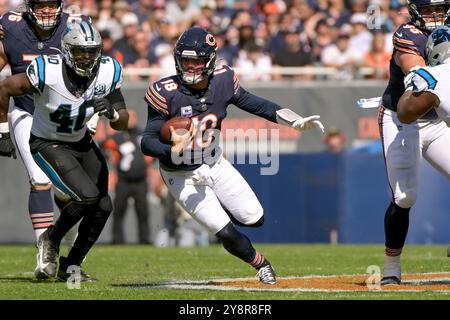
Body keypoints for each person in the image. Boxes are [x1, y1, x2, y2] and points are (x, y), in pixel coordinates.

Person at [140, 27, 324, 285]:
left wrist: (293, 121)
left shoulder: (223, 79)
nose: (191, 67)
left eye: (197, 61)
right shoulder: (166, 90)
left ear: (211, 61)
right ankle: (261, 264)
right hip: (180, 174)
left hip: (215, 163)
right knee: (224, 231)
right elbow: (147, 141)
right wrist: (171, 151)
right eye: (185, 61)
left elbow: (255, 103)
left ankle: (220, 204)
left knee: (254, 218)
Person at [0, 21, 129, 281]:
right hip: (46, 142)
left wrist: (113, 113)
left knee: (103, 205)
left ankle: (71, 267)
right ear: (67, 50)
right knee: (87, 196)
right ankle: (50, 238)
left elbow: (123, 121)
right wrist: (3, 129)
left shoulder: (108, 71)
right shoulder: (48, 69)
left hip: (80, 142)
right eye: (80, 51)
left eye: (91, 51)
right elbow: (5, 88)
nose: (86, 57)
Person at [0, 0, 90, 279]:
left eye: (52, 4)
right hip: (26, 112)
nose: (47, 11)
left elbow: (93, 72)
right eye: (41, 5)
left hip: (62, 119)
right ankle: (44, 250)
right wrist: (2, 128)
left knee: (71, 193)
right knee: (39, 179)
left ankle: (69, 260)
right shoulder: (11, 27)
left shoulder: (75, 25)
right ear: (29, 6)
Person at [377, 0, 450, 285]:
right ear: (416, 10)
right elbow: (418, 75)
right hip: (401, 120)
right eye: (429, 9)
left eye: (440, 8)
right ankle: (391, 265)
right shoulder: (407, 34)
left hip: (436, 122)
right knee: (405, 197)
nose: (436, 15)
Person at [102, 109, 151, 245]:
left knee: (143, 211)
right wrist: (110, 155)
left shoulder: (142, 134)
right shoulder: (117, 137)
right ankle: (117, 240)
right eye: (127, 118)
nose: (130, 121)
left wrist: (148, 160)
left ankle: (145, 240)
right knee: (119, 211)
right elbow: (103, 147)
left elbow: (153, 149)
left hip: (141, 180)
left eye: (132, 118)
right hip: (123, 180)